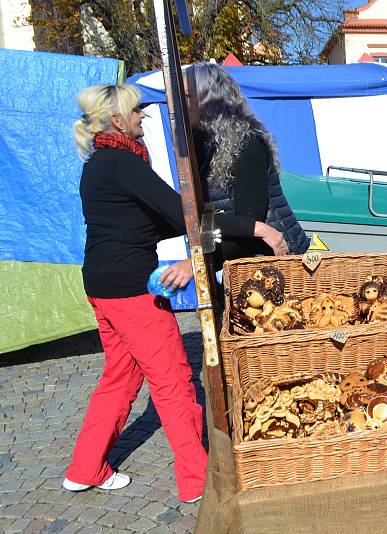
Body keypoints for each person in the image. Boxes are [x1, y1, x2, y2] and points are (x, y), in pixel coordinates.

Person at [63, 84, 214, 503]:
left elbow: (144, 220)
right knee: (173, 381)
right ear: (117, 121)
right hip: (130, 289)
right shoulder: (124, 164)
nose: (142, 118)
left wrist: (177, 221)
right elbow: (176, 211)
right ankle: (196, 479)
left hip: (101, 284)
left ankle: (85, 467)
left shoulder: (97, 164)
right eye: (137, 113)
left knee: (120, 377)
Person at [188, 61, 310, 269]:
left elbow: (251, 220)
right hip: (248, 258)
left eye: (187, 95)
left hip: (278, 259)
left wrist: (199, 264)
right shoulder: (205, 145)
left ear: (208, 100)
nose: (178, 102)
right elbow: (206, 215)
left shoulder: (247, 145)